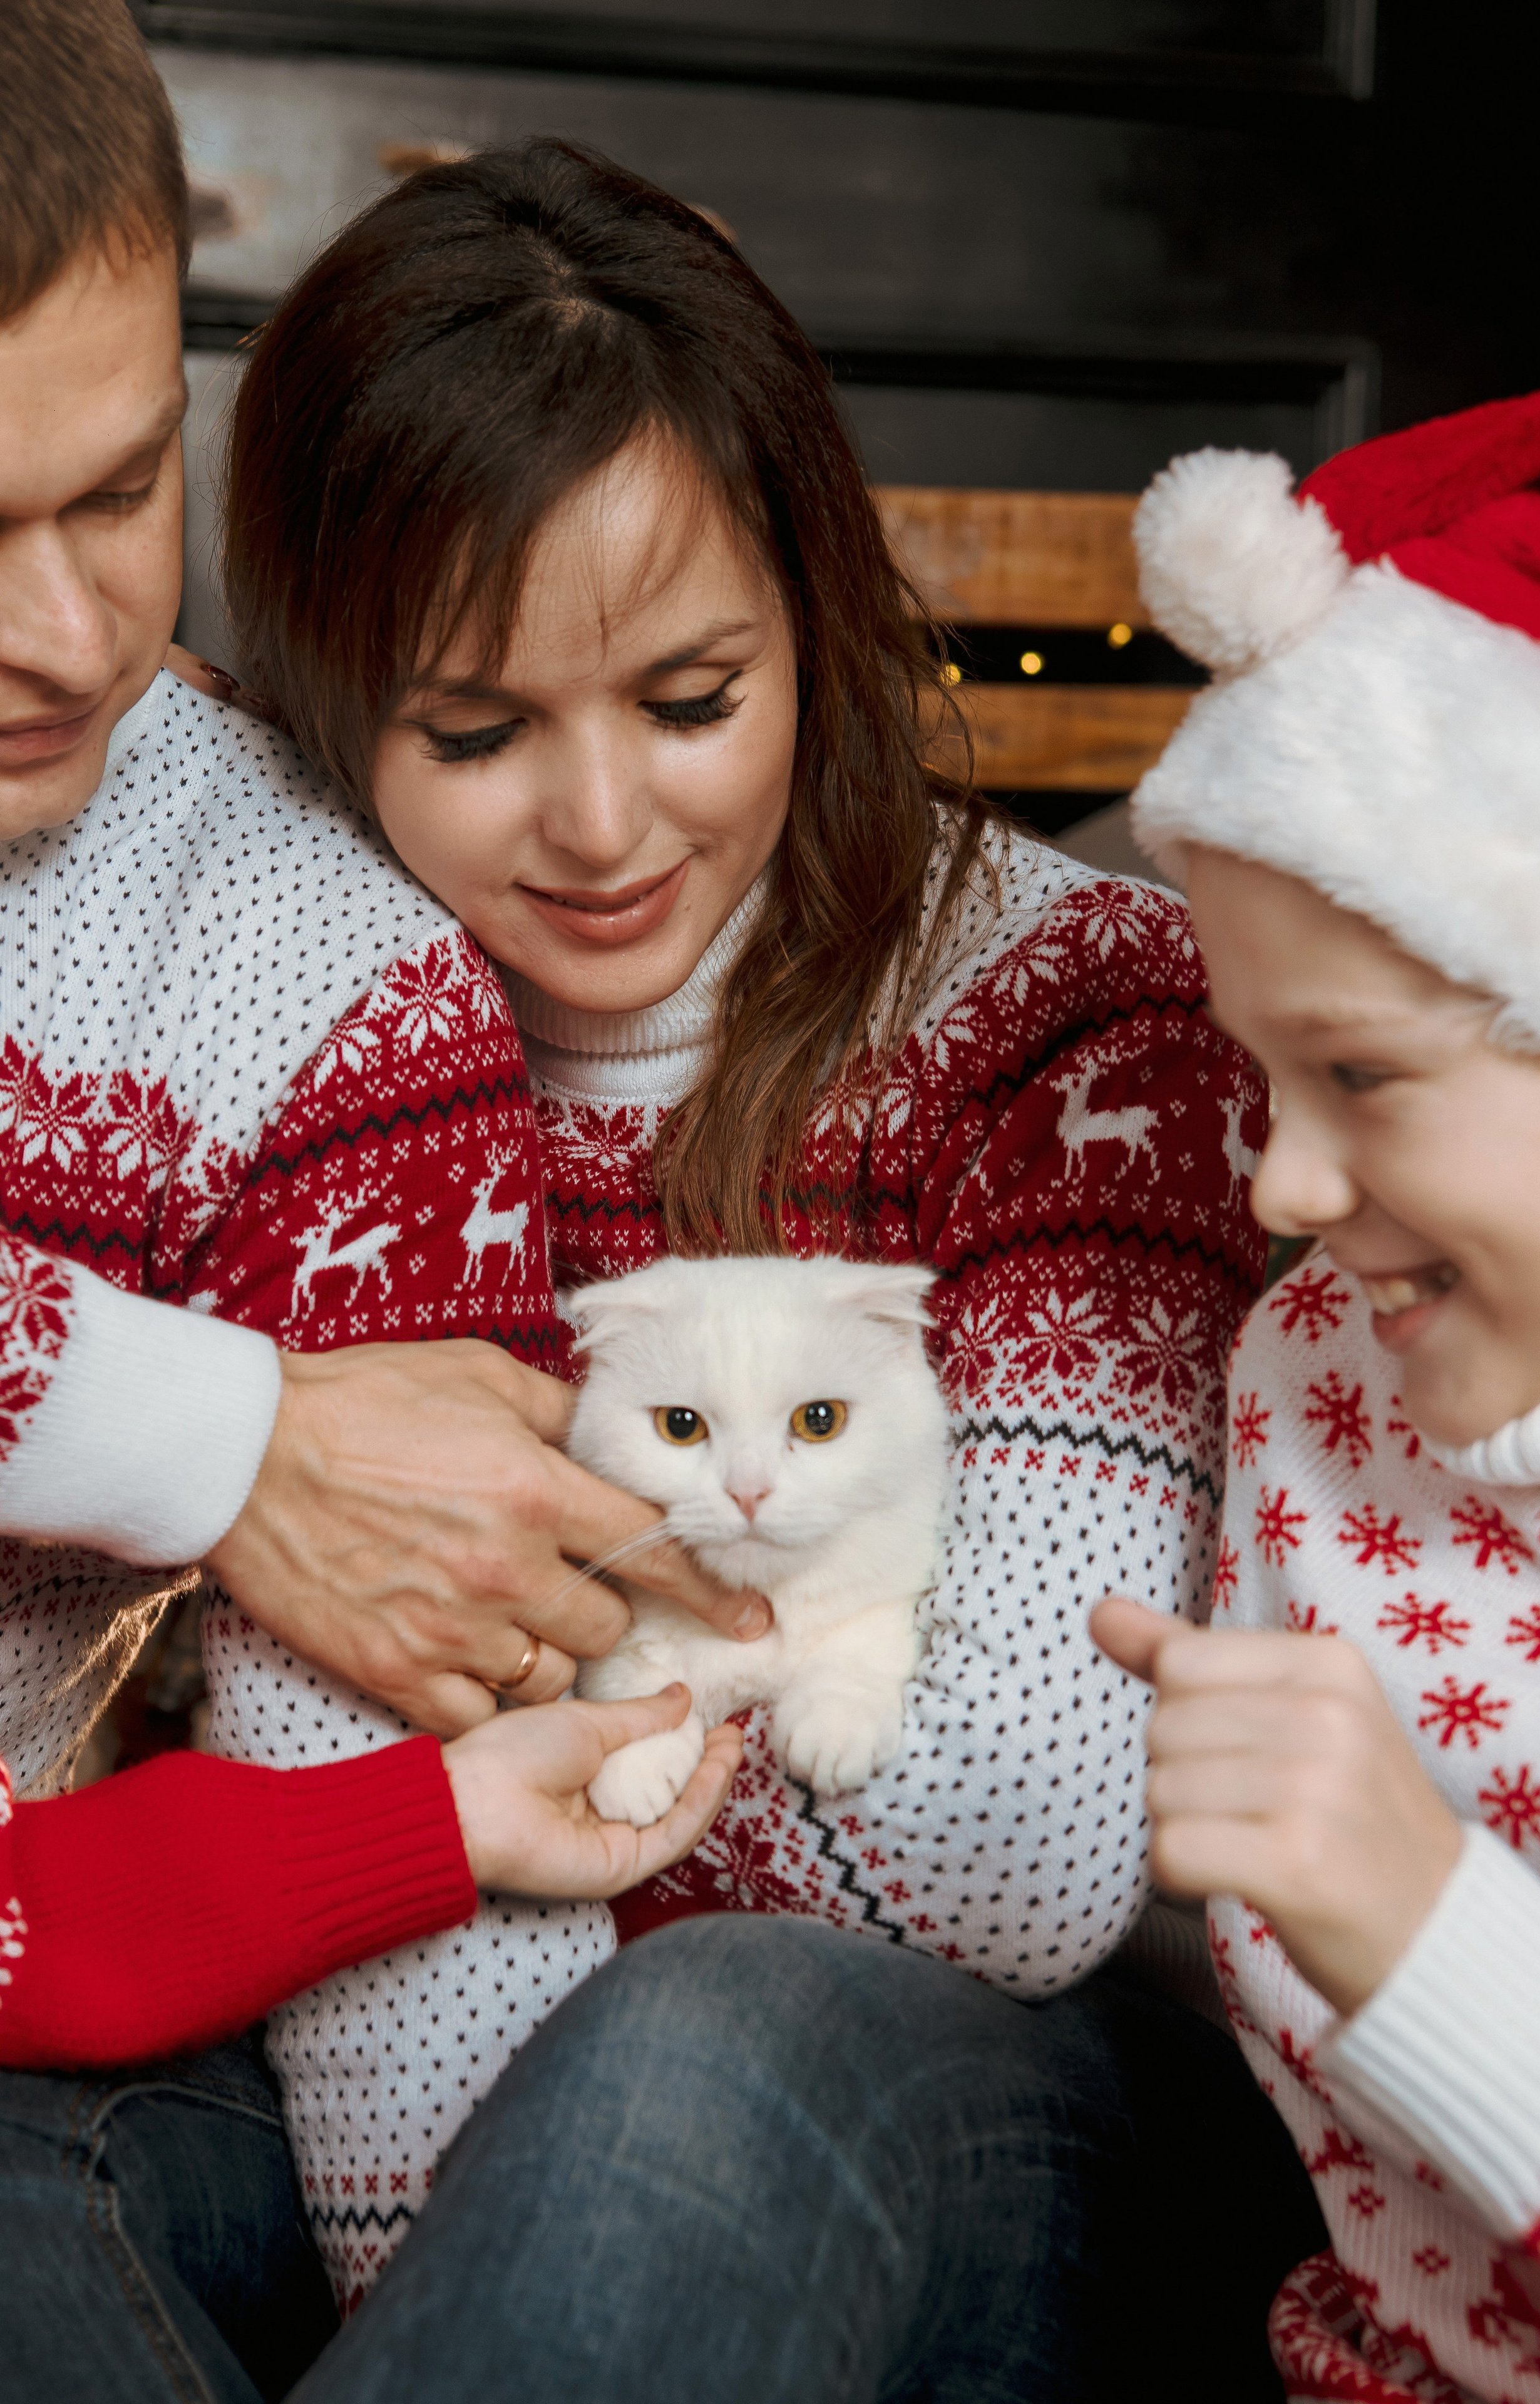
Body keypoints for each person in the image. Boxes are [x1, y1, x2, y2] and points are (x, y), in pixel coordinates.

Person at [182, 127, 1325, 2382]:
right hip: (393, 2101)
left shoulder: (1085, 1013)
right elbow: (320, 1746)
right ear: (326, 696)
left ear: (817, 608)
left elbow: (1013, 1845)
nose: (603, 833)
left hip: (995, 2110)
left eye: (692, 700)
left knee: (704, 2041)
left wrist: (542, 1745)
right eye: (476, 731)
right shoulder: (294, 1014)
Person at [0, 0, 766, 1741]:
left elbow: (407, 1840)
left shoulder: (319, 951)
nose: (67, 636)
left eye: (122, 491)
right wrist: (218, 1440)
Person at [1093, 383, 1540, 2401]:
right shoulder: (1321, 1366)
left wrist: (1433, 1933)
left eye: (1366, 1075)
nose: (1283, 1192)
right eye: (1258, 1079)